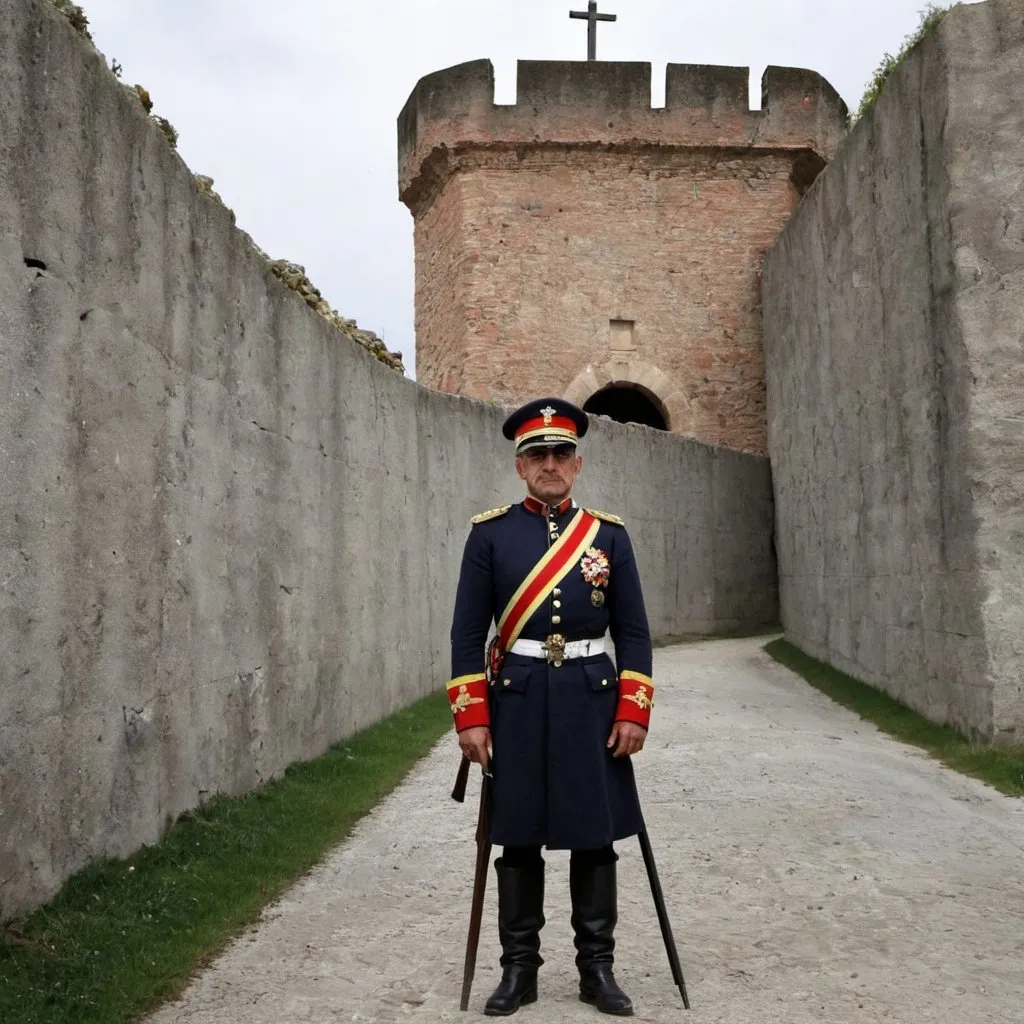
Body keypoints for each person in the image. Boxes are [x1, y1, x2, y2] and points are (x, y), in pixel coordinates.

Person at [447, 397, 654, 1018]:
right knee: (518, 836)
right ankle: (519, 972)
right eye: (537, 454)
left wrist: (633, 709)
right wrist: (472, 716)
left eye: (560, 453)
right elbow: (465, 634)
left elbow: (635, 633)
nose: (550, 463)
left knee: (595, 835)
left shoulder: (608, 536)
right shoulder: (490, 534)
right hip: (519, 700)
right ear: (520, 466)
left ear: (578, 462)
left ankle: (597, 970)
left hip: (591, 700)